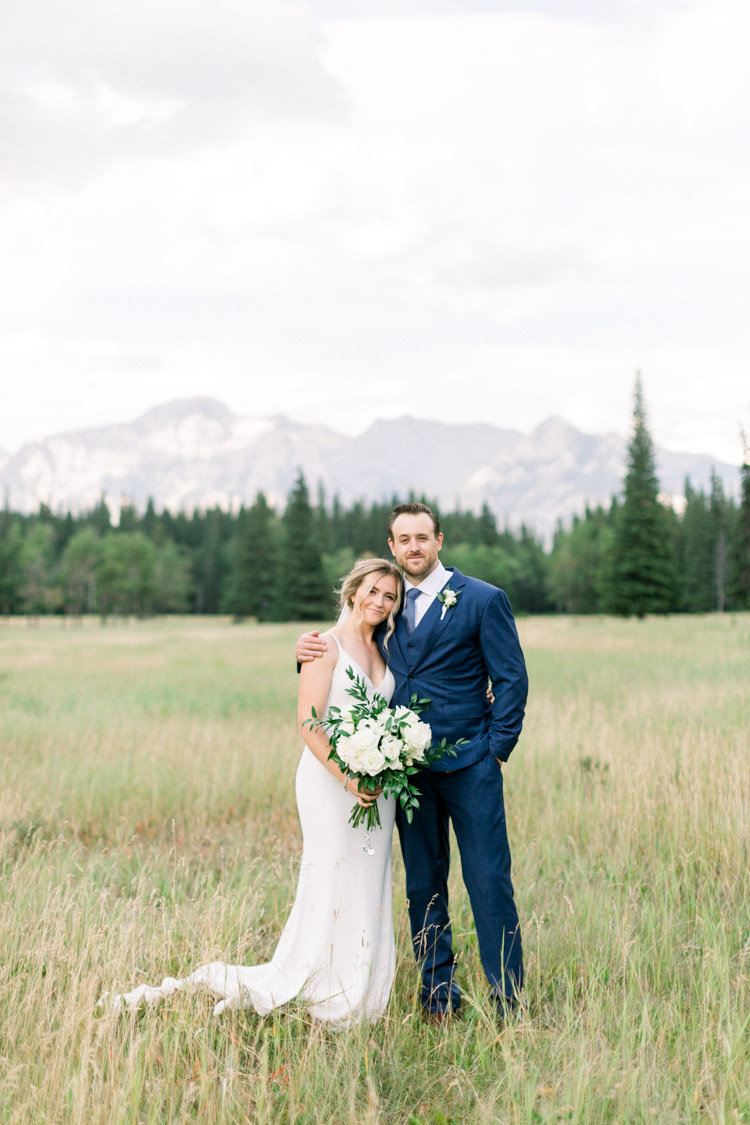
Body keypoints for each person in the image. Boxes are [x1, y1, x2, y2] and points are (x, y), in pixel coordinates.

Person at [106, 558, 403, 1028]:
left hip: (378, 786)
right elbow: (309, 721)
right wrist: (348, 776)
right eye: (373, 591)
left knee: (369, 878)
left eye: (390, 596)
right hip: (331, 782)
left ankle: (362, 983)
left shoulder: (390, 648)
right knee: (330, 874)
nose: (380, 602)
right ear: (352, 592)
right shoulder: (323, 646)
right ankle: (317, 977)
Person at [296, 502, 528, 1021]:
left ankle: (508, 1000)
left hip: (472, 767)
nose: (413, 548)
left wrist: (495, 750)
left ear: (439, 541)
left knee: (489, 881)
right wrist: (303, 648)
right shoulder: (388, 608)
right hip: (408, 776)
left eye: (422, 538)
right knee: (423, 885)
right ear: (393, 545)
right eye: (403, 540)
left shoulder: (483, 600)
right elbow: (347, 648)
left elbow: (512, 679)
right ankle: (437, 995)